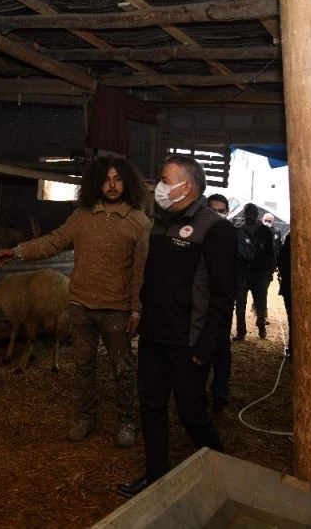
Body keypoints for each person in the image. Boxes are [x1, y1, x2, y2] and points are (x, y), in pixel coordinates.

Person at [0, 156, 151, 448]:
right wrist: (17, 251)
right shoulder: (82, 217)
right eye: (106, 179)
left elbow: (141, 272)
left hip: (116, 309)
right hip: (80, 306)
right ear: (96, 183)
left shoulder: (138, 222)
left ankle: (126, 421)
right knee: (83, 366)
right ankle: (86, 418)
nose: (112, 185)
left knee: (123, 368)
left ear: (128, 183)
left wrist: (136, 310)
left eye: (118, 179)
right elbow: (52, 242)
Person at [117, 156, 236, 499]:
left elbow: (223, 295)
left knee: (192, 413)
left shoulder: (215, 229)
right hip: (155, 335)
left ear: (188, 186)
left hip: (188, 341)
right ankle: (156, 476)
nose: (159, 186)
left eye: (166, 180)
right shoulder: (161, 224)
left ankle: (225, 482)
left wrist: (207, 346)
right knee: (151, 407)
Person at [205, 193, 232, 411]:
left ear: (227, 212)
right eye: (212, 210)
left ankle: (220, 390)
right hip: (199, 301)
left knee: (222, 346)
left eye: (220, 211)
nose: (216, 214)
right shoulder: (197, 234)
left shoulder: (232, 235)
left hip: (222, 301)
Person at [233, 203, 276, 341]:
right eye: (248, 213)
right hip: (246, 272)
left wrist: (270, 271)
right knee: (243, 304)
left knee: (259, 303)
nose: (250, 216)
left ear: (257, 215)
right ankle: (243, 331)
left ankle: (259, 325)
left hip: (257, 273)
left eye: (252, 213)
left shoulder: (264, 231)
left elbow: (271, 252)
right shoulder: (239, 230)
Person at [278, 232, 293, 357]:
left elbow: (281, 262)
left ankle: (292, 347)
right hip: (290, 286)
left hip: (288, 286)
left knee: (292, 317)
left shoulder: (288, 241)